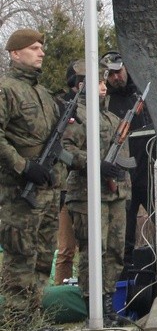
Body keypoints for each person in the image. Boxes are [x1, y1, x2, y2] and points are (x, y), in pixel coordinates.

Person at [0, 28, 63, 331]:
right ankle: (16, 325)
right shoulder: (6, 89)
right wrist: (24, 166)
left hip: (46, 191)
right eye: (34, 48)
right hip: (18, 193)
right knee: (19, 258)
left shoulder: (43, 94)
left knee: (41, 257)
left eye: (42, 47)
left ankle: (33, 320)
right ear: (15, 53)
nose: (41, 53)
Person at [62, 60, 132, 326]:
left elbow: (123, 156)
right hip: (87, 194)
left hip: (114, 195)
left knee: (115, 251)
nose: (104, 87)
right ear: (83, 87)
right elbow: (67, 151)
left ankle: (109, 306)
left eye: (104, 82)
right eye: (99, 83)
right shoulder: (76, 115)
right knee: (94, 251)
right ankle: (94, 307)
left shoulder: (112, 117)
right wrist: (95, 164)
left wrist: (120, 180)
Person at [100, 51, 155, 265]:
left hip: (147, 172)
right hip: (121, 177)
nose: (116, 78)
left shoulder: (142, 95)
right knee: (124, 238)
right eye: (110, 75)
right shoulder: (106, 102)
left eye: (118, 72)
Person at [53, 61, 82, 285]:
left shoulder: (92, 109)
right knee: (65, 249)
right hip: (65, 185)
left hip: (86, 185)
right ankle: (61, 294)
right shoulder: (60, 105)